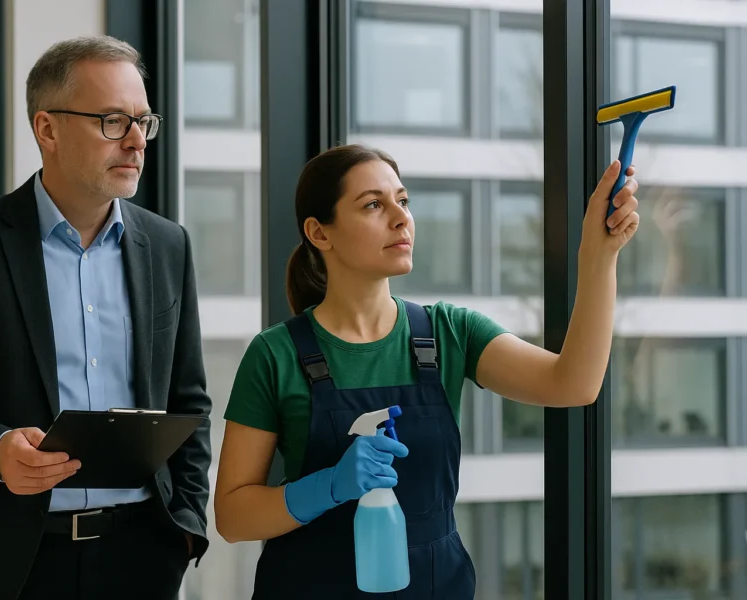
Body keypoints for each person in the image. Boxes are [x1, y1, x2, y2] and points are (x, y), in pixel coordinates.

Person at [213, 143, 639, 599]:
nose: (401, 218)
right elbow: (233, 518)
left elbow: (574, 383)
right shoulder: (275, 354)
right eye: (374, 204)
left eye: (403, 200)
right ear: (320, 233)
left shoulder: (449, 332)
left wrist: (600, 254)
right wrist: (330, 486)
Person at [0, 35, 211, 600]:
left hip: (141, 558)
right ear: (47, 129)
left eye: (143, 121)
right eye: (112, 120)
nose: (135, 141)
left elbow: (189, 400)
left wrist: (186, 523)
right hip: (2, 560)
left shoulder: (168, 245)